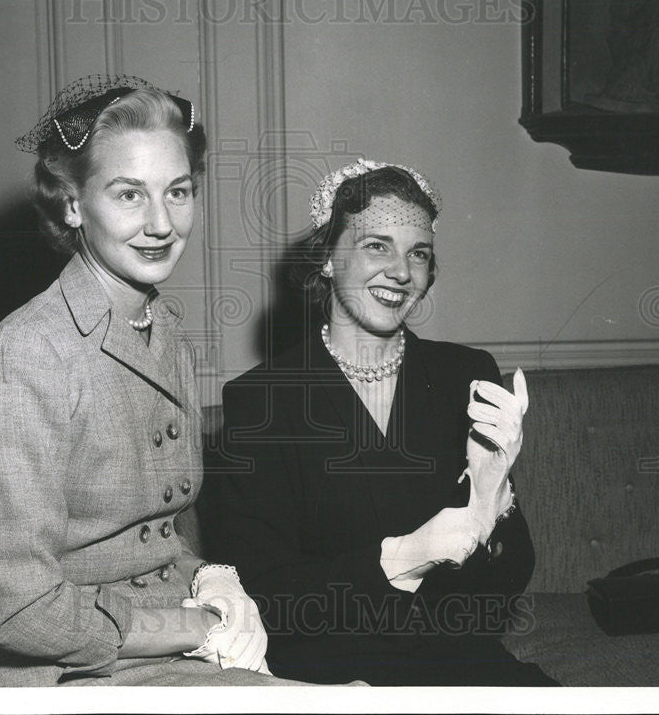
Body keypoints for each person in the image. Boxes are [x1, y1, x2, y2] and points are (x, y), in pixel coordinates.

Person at [0, 75, 313, 686]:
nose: (161, 223)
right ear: (73, 204)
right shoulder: (26, 354)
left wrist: (213, 577)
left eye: (177, 192)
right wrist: (196, 627)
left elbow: (165, 526)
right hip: (70, 674)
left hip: (166, 650)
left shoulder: (165, 332)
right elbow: (19, 610)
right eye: (129, 195)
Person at [203, 159, 558, 685]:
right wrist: (406, 559)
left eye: (419, 253)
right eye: (377, 246)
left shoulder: (468, 374)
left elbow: (506, 581)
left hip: (458, 663)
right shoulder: (261, 401)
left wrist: (490, 500)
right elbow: (265, 596)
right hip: (329, 674)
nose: (401, 272)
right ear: (327, 256)